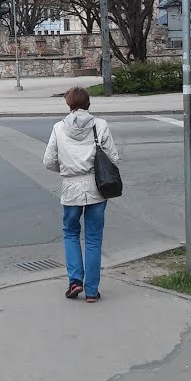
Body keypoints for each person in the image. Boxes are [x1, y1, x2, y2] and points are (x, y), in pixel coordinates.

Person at [43, 86, 119, 303]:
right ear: (88, 103)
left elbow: (48, 161)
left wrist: (67, 170)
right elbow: (113, 157)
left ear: (68, 104)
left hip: (71, 189)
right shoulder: (101, 125)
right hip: (97, 188)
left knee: (70, 233)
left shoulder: (58, 128)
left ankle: (75, 280)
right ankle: (92, 290)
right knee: (94, 239)